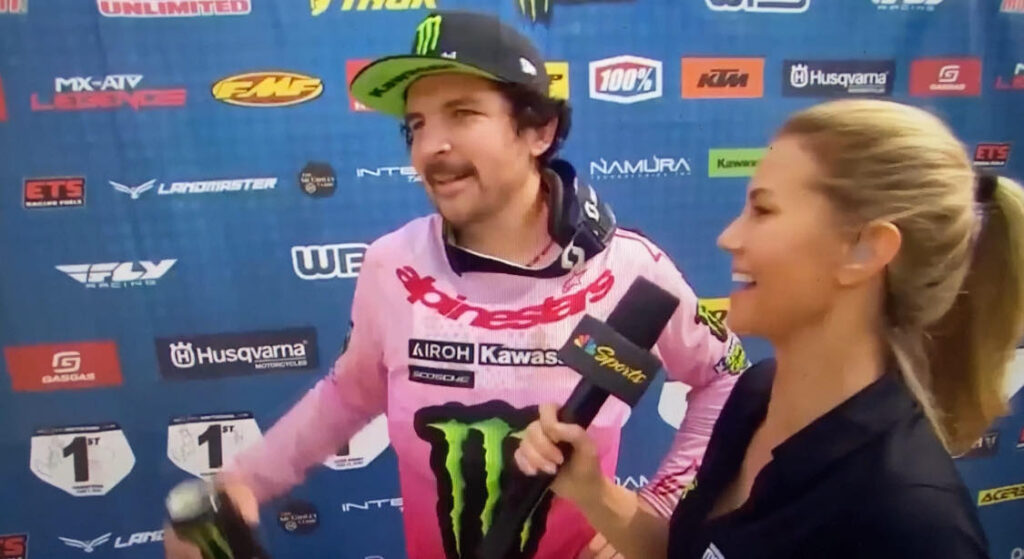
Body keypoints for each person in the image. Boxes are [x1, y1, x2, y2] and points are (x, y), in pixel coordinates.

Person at [164, 10, 747, 559]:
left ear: (538, 130)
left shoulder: (627, 268)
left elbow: (726, 377)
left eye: (462, 114)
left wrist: (652, 512)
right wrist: (243, 482)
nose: (430, 148)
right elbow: (349, 393)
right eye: (416, 125)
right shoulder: (393, 266)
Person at [513, 99, 1024, 558]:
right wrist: (594, 493)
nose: (729, 237)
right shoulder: (756, 394)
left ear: (866, 250)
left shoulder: (914, 519)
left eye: (763, 209)